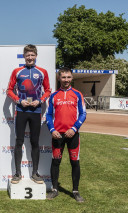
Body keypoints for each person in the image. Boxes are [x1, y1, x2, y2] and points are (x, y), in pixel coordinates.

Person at [6, 44, 51, 184]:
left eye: (32, 55)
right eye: (27, 55)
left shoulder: (42, 71)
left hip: (36, 111)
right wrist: (19, 100)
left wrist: (41, 101)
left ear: (36, 56)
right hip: (21, 111)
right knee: (19, 141)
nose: (30, 58)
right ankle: (17, 174)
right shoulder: (17, 71)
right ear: (24, 57)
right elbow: (9, 90)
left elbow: (48, 90)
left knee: (35, 142)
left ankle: (35, 173)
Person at [46, 67, 86, 202]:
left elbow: (83, 114)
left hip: (72, 134)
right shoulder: (53, 95)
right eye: (63, 77)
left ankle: (75, 191)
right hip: (57, 135)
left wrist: (74, 128)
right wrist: (52, 130)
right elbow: (49, 115)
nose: (66, 80)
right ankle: (55, 189)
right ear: (59, 78)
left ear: (72, 78)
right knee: (55, 161)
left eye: (68, 77)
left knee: (75, 162)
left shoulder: (77, 94)